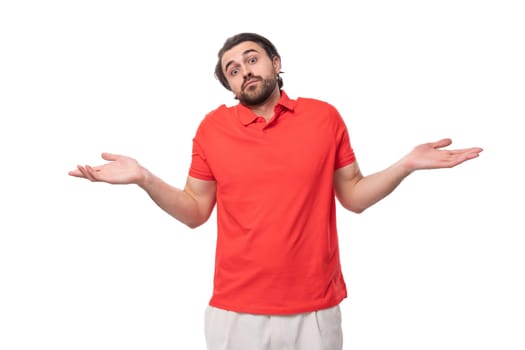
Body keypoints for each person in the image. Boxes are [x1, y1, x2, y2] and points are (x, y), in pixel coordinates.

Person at [68, 32, 483, 350]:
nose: (245, 70)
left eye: (252, 59)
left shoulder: (324, 117)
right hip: (235, 312)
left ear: (275, 63)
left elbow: (353, 195)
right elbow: (195, 210)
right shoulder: (212, 129)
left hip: (316, 309)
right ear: (229, 86)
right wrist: (144, 178)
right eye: (232, 69)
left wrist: (406, 164)